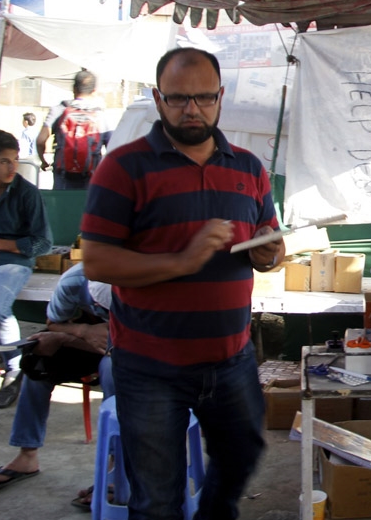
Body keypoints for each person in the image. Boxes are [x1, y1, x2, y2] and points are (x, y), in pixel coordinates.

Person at [80, 47, 285, 520]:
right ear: (157, 98)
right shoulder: (124, 166)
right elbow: (95, 261)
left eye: (203, 97)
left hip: (231, 358)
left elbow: (270, 244)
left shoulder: (249, 168)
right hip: (151, 365)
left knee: (243, 454)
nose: (192, 109)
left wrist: (268, 254)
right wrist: (182, 261)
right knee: (156, 499)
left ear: (220, 97)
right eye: (177, 99)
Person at [0, 262, 112, 495]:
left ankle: (114, 468)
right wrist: (81, 333)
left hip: (128, 347)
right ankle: (27, 456)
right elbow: (53, 324)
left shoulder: (140, 284)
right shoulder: (73, 281)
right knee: (38, 363)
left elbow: (138, 340)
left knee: (113, 371)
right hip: (85, 341)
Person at [0, 130, 53, 408]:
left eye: (15, 160)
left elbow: (42, 243)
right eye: (4, 161)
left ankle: (14, 369)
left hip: (11, 263)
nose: (12, 167)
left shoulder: (27, 194)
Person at [36, 70, 113, 190]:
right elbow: (112, 148)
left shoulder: (59, 110)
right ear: (94, 91)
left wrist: (43, 161)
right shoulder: (100, 116)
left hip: (63, 179)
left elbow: (40, 140)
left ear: (73, 88)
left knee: (63, 208)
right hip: (91, 180)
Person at [18, 113, 41, 186]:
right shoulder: (38, 132)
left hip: (28, 159)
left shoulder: (25, 133)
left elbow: (23, 147)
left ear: (26, 122)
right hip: (36, 157)